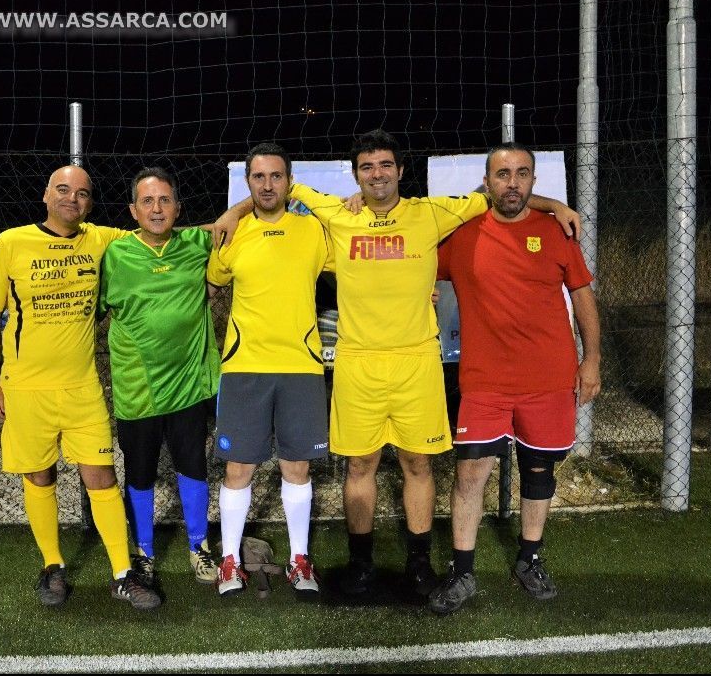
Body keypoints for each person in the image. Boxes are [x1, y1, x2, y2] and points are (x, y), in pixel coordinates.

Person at [214, 130, 580, 598]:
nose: (377, 174)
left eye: (386, 165)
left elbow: (503, 194)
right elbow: (269, 195)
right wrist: (232, 211)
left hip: (417, 362)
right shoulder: (334, 214)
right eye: (367, 167)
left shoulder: (429, 214)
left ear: (401, 171)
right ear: (356, 174)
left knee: (417, 463)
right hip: (358, 362)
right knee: (361, 464)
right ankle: (361, 563)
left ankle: (419, 563)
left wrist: (554, 207)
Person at [0, 165, 160, 610]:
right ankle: (53, 565)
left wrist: (234, 216)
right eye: (63, 190)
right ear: (46, 195)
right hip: (25, 388)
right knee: (40, 475)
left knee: (102, 477)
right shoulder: (12, 241)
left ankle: (122, 573)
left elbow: (157, 231)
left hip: (82, 388)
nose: (71, 199)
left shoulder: (100, 240)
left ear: (90, 203)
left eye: (82, 193)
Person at [427, 143, 601, 615]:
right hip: (484, 383)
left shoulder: (555, 232)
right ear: (486, 182)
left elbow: (583, 298)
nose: (513, 183)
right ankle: (462, 573)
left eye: (522, 174)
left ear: (533, 180)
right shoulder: (461, 235)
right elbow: (413, 257)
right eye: (502, 174)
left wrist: (593, 361)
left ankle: (529, 558)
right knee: (470, 474)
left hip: (548, 379)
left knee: (539, 472)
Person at [206, 143, 334, 597]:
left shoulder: (314, 232)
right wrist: (234, 215)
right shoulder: (232, 233)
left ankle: (300, 559)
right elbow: (213, 280)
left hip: (301, 367)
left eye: (276, 176)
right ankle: (229, 561)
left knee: (296, 466)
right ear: (247, 182)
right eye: (258, 177)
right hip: (245, 368)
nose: (267, 184)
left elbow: (362, 264)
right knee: (238, 468)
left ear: (289, 179)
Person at [98, 167, 220, 593]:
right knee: (140, 474)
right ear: (132, 210)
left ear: (178, 209)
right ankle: (144, 554)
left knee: (193, 467)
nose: (156, 208)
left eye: (165, 200)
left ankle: (199, 546)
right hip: (137, 391)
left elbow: (233, 224)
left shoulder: (194, 243)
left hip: (188, 386)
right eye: (147, 201)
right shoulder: (115, 255)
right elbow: (88, 309)